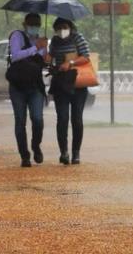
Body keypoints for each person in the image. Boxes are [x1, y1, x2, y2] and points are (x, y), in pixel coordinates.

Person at [7, 13, 48, 167]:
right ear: (25, 24)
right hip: (18, 86)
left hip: (35, 86)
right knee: (20, 121)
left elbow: (42, 62)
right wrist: (35, 48)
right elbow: (16, 56)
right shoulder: (17, 36)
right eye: (31, 24)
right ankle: (24, 155)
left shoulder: (41, 40)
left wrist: (45, 53)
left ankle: (36, 145)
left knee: (37, 118)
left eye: (37, 24)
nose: (34, 27)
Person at [48, 17, 91, 165]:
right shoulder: (54, 41)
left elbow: (86, 57)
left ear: (70, 27)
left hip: (78, 83)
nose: (62, 30)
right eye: (58, 28)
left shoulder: (77, 38)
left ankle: (76, 153)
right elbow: (50, 59)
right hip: (61, 84)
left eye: (64, 27)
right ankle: (63, 152)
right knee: (62, 119)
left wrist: (71, 63)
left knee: (77, 119)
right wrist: (48, 58)